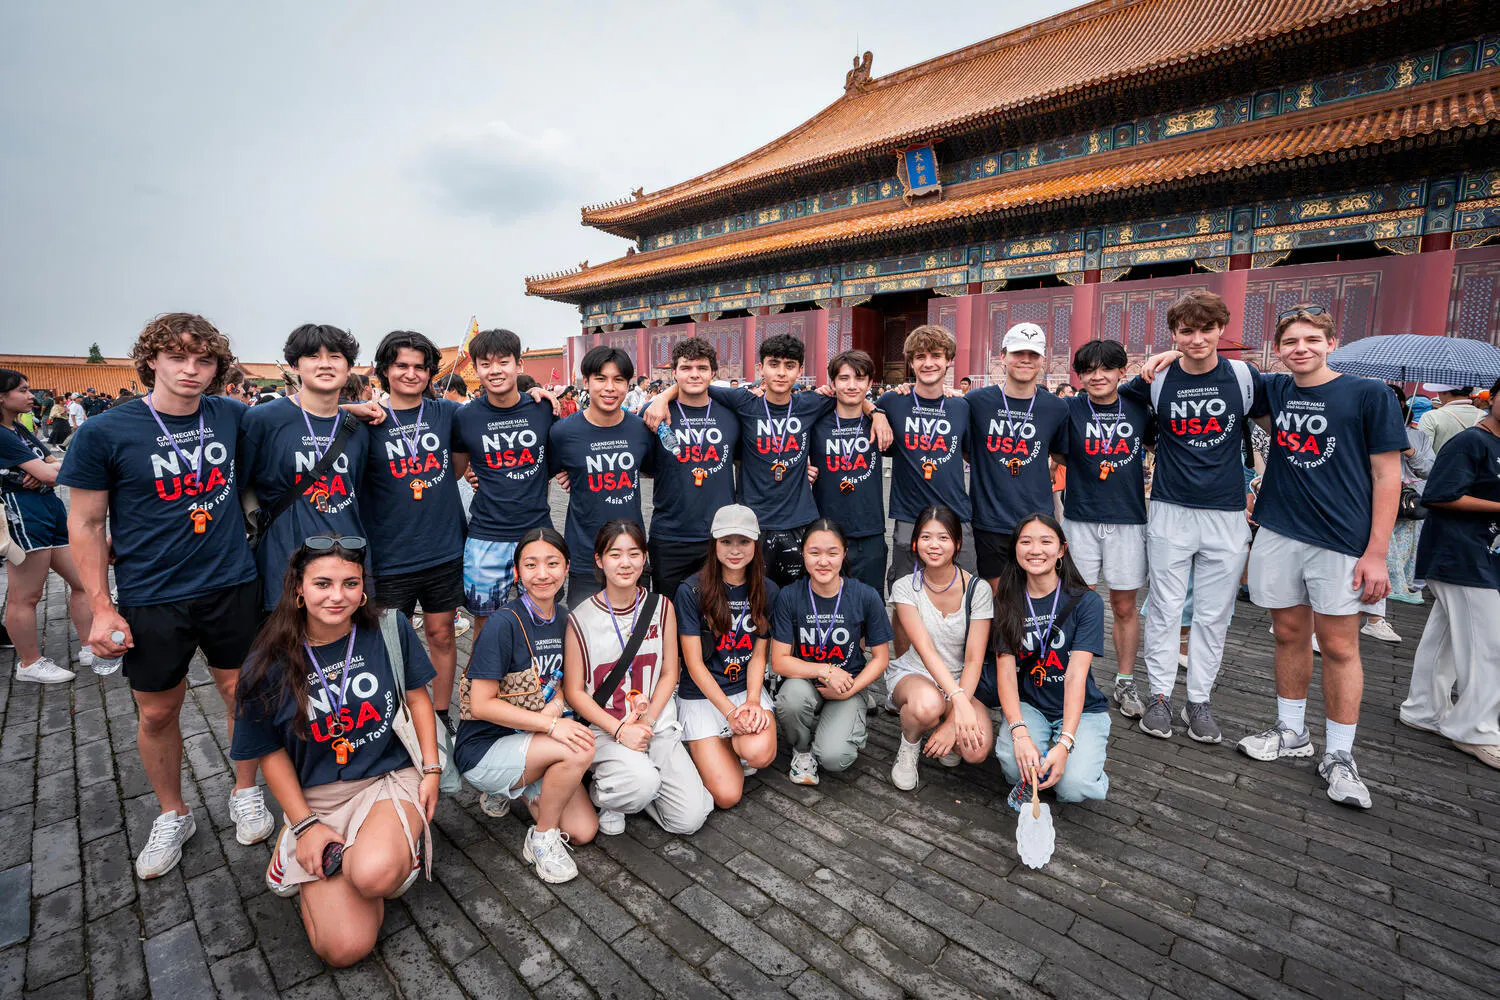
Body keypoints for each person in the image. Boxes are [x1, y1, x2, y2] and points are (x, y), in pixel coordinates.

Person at [59, 315, 275, 879]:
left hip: (231, 582)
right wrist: (102, 607)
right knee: (157, 710)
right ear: (152, 359)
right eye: (178, 357)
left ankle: (245, 789)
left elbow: (297, 421)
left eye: (204, 360)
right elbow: (84, 522)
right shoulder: (104, 432)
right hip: (152, 594)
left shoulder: (231, 416)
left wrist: (357, 410)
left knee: (240, 694)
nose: (191, 370)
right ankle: (173, 812)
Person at [232, 537, 440, 966]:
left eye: (350, 583)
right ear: (298, 589)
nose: (337, 596)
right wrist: (305, 825)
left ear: (363, 589)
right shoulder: (265, 662)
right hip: (316, 797)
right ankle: (296, 849)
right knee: (344, 949)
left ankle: (380, 858)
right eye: (323, 583)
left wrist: (433, 769)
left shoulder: (389, 629)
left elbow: (419, 698)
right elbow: (268, 752)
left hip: (388, 778)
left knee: (374, 875)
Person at [1232, 306, 1404, 808]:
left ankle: (1341, 755)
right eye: (1290, 341)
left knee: (1339, 645)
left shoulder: (1368, 395)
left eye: (1311, 339)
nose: (1300, 348)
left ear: (1331, 342)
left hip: (1341, 539)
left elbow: (1386, 476)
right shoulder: (1278, 390)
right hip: (1281, 529)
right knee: (1288, 633)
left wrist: (1377, 553)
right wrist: (1168, 354)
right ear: (1279, 348)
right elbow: (1214, 364)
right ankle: (1291, 732)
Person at [1127, 291, 1267, 743]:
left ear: (1220, 330)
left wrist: (1264, 484)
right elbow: (1110, 392)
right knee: (1165, 609)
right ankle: (1161, 696)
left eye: (1206, 329)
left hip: (1226, 513)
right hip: (1170, 507)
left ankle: (1200, 700)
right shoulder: (1158, 380)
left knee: (1214, 614)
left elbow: (1275, 429)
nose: (1197, 338)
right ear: (1174, 334)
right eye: (1186, 331)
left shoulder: (1244, 377)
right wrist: (1158, 360)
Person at [646, 335, 886, 586]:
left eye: (790, 366)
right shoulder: (744, 402)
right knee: (756, 602)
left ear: (800, 371)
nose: (781, 373)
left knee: (797, 601)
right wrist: (662, 398)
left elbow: (852, 395)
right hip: (753, 523)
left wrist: (876, 413)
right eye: (774, 364)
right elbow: (695, 384)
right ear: (761, 368)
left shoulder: (812, 403)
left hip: (800, 522)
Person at [453, 527, 595, 881]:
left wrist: (558, 700)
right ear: (517, 572)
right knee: (578, 749)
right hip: (485, 747)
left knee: (583, 830)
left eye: (552, 563)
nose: (542, 573)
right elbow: (482, 705)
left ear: (566, 568)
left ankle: (515, 788)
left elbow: (563, 680)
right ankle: (541, 838)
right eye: (531, 564)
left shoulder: (564, 619)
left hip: (532, 740)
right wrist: (551, 724)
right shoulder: (504, 623)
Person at [563, 520, 712, 835]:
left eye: (634, 553)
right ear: (599, 560)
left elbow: (671, 672)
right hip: (607, 728)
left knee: (690, 819)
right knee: (641, 783)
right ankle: (608, 795)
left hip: (655, 724)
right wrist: (620, 730)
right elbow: (575, 692)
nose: (625, 563)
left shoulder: (661, 607)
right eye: (615, 554)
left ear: (645, 557)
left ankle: (637, 786)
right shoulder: (580, 618)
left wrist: (646, 722)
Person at [364, 331, 467, 726]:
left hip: (443, 546)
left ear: (430, 373)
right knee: (392, 642)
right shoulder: (368, 421)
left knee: (441, 634)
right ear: (385, 371)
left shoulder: (447, 415)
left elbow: (456, 468)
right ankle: (402, 718)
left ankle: (441, 718)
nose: (410, 374)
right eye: (401, 366)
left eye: (419, 367)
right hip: (390, 553)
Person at [1401, 376, 1500, 771]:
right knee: (1488, 646)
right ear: (1491, 399)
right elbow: (1441, 494)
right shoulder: (1471, 442)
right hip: (1460, 554)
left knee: (1445, 638)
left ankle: (1423, 708)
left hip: (1478, 555)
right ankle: (1476, 728)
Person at [241, 325, 373, 612]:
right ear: (294, 365)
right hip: (286, 560)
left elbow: (360, 490)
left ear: (348, 366)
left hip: (348, 558)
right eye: (313, 356)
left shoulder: (358, 429)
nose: (325, 364)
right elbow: (239, 484)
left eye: (335, 356)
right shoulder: (263, 420)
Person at [1060, 340, 1152, 719]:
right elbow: (1056, 451)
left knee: (1124, 605)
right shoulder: (1069, 409)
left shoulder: (1138, 407)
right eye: (1088, 370)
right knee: (1073, 601)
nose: (1097, 376)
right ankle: (1069, 674)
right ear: (1079, 377)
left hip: (1128, 519)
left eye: (1106, 368)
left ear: (1121, 371)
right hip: (1079, 518)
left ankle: (1125, 679)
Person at [989, 515, 1110, 802]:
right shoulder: (1007, 601)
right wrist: (1019, 733)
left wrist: (1066, 742)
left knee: (1074, 788)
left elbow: (1075, 675)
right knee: (1013, 767)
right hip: (1032, 705)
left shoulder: (1086, 602)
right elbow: (1005, 673)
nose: (1035, 550)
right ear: (1016, 549)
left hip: (1083, 710)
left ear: (1061, 550)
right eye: (1026, 542)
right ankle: (1046, 750)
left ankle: (1086, 765)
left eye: (1046, 542)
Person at [770, 519, 893, 785]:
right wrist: (825, 670)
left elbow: (881, 657)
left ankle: (836, 730)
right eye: (814, 553)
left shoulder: (865, 595)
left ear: (844, 553)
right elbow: (779, 661)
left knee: (834, 758)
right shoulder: (789, 596)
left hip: (848, 685)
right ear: (803, 554)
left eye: (832, 553)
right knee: (791, 698)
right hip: (805, 682)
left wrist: (852, 687)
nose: (823, 561)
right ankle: (801, 750)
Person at [884, 505, 994, 791]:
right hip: (916, 674)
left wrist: (952, 723)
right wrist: (959, 706)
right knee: (926, 705)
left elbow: (973, 660)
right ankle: (909, 746)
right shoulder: (906, 587)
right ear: (915, 542)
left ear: (957, 544)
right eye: (926, 537)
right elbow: (927, 652)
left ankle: (943, 727)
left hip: (961, 679)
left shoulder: (978, 590)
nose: (934, 545)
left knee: (975, 749)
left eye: (943, 538)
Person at [675, 505, 779, 808]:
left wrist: (752, 701)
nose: (735, 550)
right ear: (714, 544)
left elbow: (759, 656)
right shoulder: (691, 590)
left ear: (755, 544)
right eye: (726, 542)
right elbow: (693, 664)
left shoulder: (767, 590)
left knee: (758, 753)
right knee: (727, 796)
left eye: (744, 542)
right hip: (703, 695)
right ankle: (712, 749)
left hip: (744, 692)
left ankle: (730, 747)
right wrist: (730, 714)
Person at [452, 330, 556, 627]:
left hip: (537, 532)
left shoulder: (543, 408)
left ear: (519, 365)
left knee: (542, 620)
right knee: (487, 625)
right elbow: (458, 469)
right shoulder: (465, 417)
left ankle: (539, 676)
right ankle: (482, 674)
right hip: (486, 534)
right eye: (485, 363)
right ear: (476, 368)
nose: (495, 370)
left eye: (503, 362)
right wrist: (472, 473)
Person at [1, 369, 93, 683]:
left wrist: (47, 468)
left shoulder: (18, 429)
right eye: (24, 391)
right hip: (24, 511)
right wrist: (46, 469)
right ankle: (30, 662)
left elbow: (51, 464)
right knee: (26, 595)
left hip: (48, 505)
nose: (31, 396)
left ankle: (90, 645)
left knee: (82, 581)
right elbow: (51, 471)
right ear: (2, 396)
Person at [965, 323, 1069, 589]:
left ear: (1042, 361)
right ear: (1003, 356)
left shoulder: (1056, 407)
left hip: (1037, 520)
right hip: (990, 519)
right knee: (997, 600)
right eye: (1018, 353)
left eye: (1033, 355)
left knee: (1036, 596)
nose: (1025, 360)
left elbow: (1061, 452)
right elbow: (967, 450)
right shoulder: (976, 402)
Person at [550, 347, 654, 604]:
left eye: (618, 380)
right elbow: (547, 471)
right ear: (585, 382)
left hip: (632, 556)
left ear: (628, 385)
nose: (610, 387)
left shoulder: (642, 430)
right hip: (586, 557)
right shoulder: (562, 433)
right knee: (585, 637)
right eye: (600, 378)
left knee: (634, 636)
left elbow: (651, 468)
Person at [876, 326, 975, 588]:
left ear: (949, 360)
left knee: (964, 589)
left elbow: (968, 453)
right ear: (911, 362)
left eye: (936, 356)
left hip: (955, 513)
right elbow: (853, 402)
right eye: (920, 357)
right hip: (909, 515)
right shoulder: (891, 402)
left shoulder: (961, 406)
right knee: (903, 591)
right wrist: (873, 412)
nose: (928, 363)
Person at [645, 338, 740, 599]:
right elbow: (641, 464)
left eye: (702, 368)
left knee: (718, 614)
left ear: (713, 372)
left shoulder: (731, 414)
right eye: (686, 368)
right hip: (670, 535)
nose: (694, 374)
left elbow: (747, 460)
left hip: (719, 535)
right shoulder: (655, 413)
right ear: (674, 372)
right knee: (669, 613)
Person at [810, 350, 886, 594]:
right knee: (826, 605)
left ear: (870, 383)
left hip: (870, 531)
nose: (852, 386)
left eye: (860, 378)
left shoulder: (881, 421)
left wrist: (877, 413)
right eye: (844, 379)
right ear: (832, 383)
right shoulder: (815, 422)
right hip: (826, 531)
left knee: (869, 606)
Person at [1418, 384, 1481, 454]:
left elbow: (1422, 453)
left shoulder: (1431, 416)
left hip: (1441, 464)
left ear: (1444, 391)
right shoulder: (1484, 416)